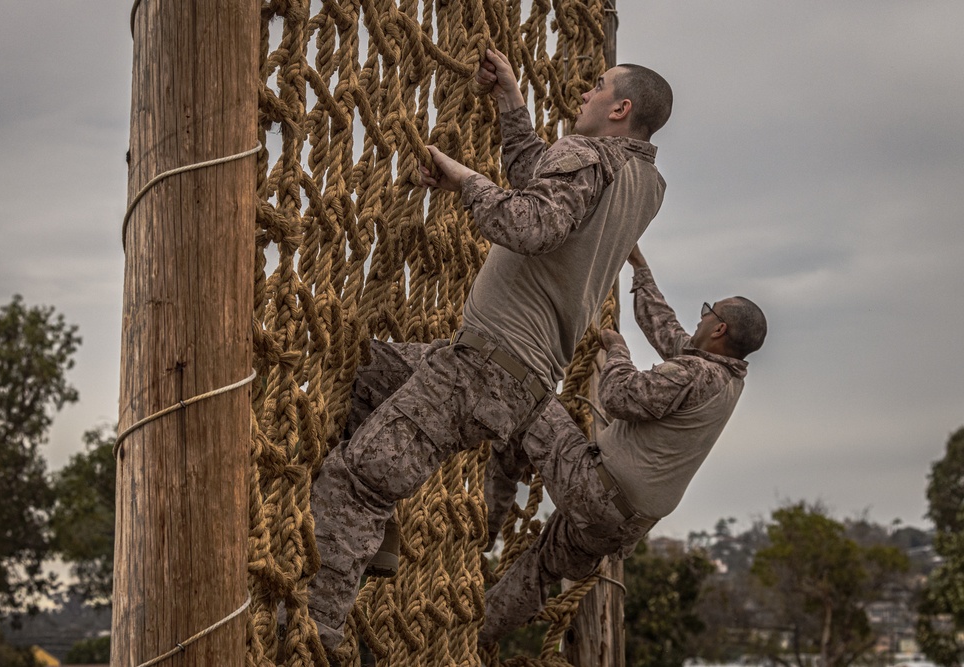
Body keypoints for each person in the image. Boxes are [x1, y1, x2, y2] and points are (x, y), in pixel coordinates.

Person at [307, 47, 673, 654]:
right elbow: (545, 181)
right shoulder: (644, 182)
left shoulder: (589, 158)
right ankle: (378, 539)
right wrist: (509, 100)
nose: (585, 93)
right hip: (511, 375)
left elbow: (531, 226)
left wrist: (462, 179)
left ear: (621, 107)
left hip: (485, 367)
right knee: (367, 375)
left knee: (358, 481)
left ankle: (321, 635)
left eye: (598, 87)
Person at [477, 244, 768, 647]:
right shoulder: (725, 379)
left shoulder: (694, 374)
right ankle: (475, 636)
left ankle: (481, 531)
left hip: (596, 489)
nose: (701, 316)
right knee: (539, 572)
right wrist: (640, 268)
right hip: (621, 527)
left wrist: (617, 350)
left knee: (524, 397)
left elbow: (618, 398)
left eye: (708, 311)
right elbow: (666, 330)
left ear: (719, 329)